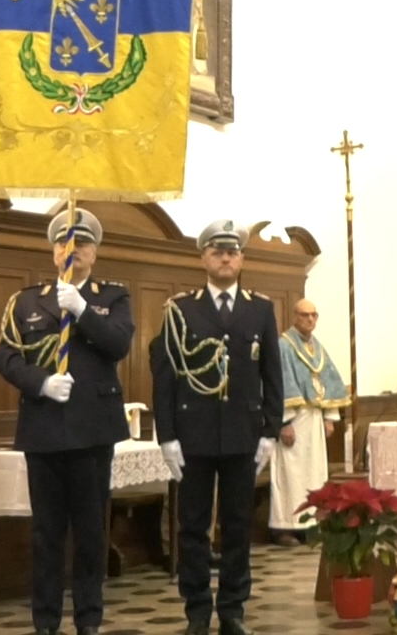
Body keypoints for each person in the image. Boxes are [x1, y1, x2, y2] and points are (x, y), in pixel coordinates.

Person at [0, 207, 134, 635]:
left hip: (93, 432)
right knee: (46, 535)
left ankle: (89, 621)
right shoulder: (26, 301)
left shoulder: (113, 297)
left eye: (82, 243)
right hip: (44, 430)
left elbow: (118, 345)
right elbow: (5, 356)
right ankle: (46, 623)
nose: (73, 251)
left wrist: (84, 310)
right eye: (64, 243)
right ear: (54, 251)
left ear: (95, 251)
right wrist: (39, 383)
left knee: (91, 535)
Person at [150, 219, 283, 635]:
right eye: (216, 251)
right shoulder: (181, 309)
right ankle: (196, 610)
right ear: (202, 258)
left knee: (239, 524)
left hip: (243, 434)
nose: (225, 258)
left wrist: (271, 431)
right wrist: (167, 435)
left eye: (232, 252)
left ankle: (232, 609)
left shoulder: (260, 309)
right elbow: (165, 376)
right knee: (192, 527)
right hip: (194, 435)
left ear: (241, 258)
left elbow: (272, 374)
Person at [271, 298, 348, 546]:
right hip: (294, 420)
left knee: (314, 474)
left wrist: (329, 417)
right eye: (305, 315)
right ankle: (285, 527)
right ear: (295, 316)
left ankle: (312, 524)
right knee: (290, 475)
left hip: (314, 420)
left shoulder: (317, 347)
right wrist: (284, 423)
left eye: (314, 315)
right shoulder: (284, 345)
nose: (310, 320)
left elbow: (329, 381)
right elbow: (279, 384)